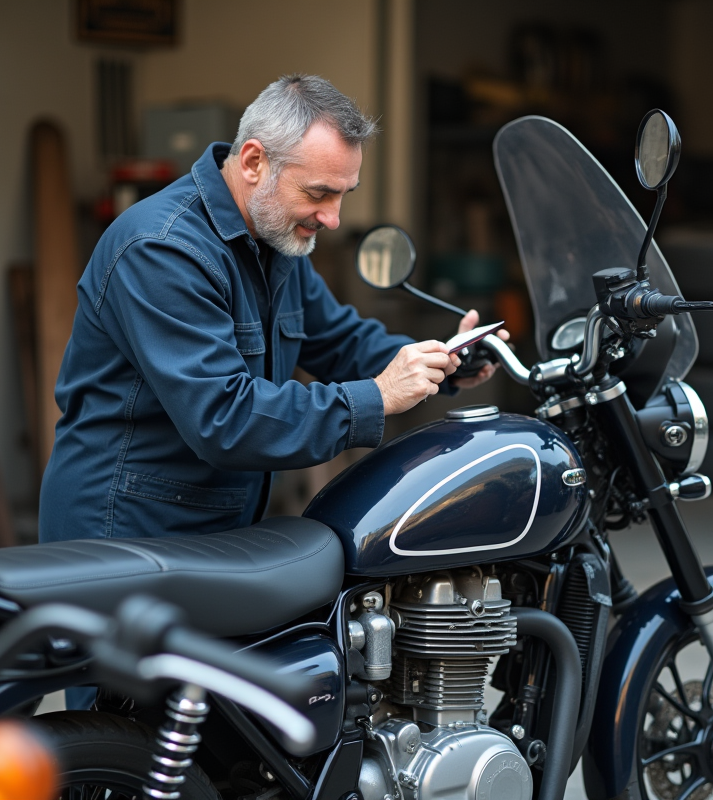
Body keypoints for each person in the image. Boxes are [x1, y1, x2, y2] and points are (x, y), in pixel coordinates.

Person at [39, 74, 505, 543]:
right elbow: (223, 419)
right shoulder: (161, 250)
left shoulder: (275, 238)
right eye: (318, 192)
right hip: (124, 534)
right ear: (254, 162)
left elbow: (339, 340)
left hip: (209, 527)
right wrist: (378, 396)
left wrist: (445, 360)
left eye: (345, 194)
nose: (333, 218)